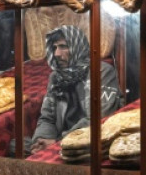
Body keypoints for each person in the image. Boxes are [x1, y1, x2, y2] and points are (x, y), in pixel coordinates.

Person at [26, 24, 122, 154]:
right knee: (15, 146)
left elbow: (98, 118)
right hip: (60, 141)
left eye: (63, 47)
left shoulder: (101, 72)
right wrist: (41, 140)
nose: (56, 54)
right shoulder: (56, 77)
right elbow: (47, 118)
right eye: (54, 48)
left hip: (91, 141)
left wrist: (58, 142)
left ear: (78, 47)